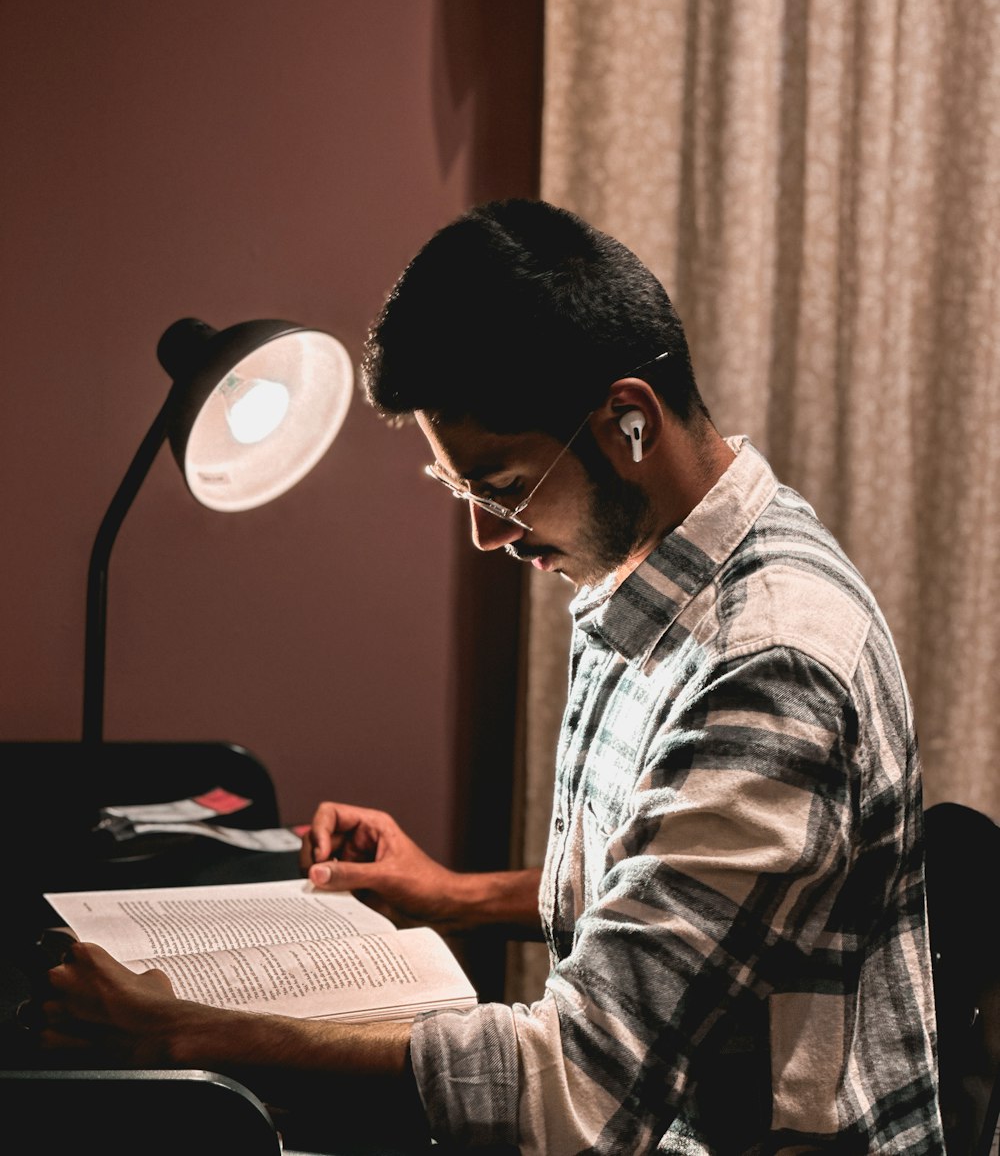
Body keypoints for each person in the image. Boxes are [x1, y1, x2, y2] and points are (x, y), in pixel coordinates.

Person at [37, 200, 943, 1153]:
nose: (485, 534)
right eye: (460, 489)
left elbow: (575, 1090)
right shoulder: (650, 559)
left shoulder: (767, 669)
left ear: (628, 422)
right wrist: (449, 893)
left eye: (502, 487)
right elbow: (668, 887)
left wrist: (188, 1030)